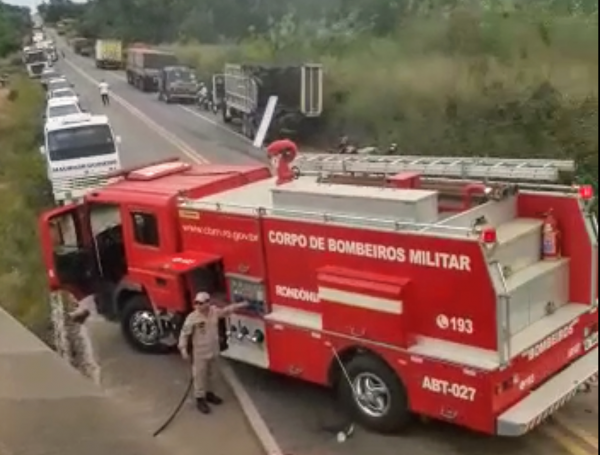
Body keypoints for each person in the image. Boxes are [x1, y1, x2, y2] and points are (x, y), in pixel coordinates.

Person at [178, 291, 249, 414]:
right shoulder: (192, 318)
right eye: (196, 303)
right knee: (199, 376)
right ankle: (200, 398)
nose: (198, 305)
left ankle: (209, 394)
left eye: (201, 303)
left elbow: (227, 311)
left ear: (207, 303)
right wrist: (183, 349)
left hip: (213, 350)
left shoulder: (214, 312)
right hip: (200, 353)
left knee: (212, 375)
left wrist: (241, 305)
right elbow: (184, 334)